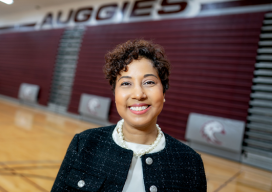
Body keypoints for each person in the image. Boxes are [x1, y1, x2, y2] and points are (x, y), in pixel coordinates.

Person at [51, 39, 207, 192]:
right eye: (126, 83)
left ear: (164, 92)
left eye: (149, 82)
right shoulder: (84, 144)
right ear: (115, 94)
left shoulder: (190, 162)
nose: (138, 94)